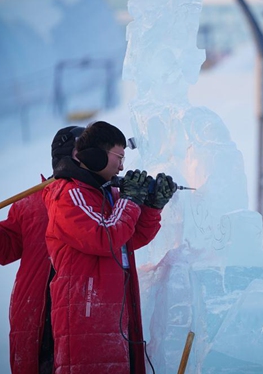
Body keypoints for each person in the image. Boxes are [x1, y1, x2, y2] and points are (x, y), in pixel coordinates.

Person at [43, 120, 177, 374]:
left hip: (115, 308)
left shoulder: (105, 193)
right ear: (94, 157)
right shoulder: (69, 195)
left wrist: (150, 206)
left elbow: (129, 238)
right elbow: (105, 237)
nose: (123, 166)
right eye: (119, 157)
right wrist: (130, 199)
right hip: (87, 312)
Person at [0, 125, 85, 374]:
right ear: (70, 155)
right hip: (37, 312)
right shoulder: (30, 204)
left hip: (81, 307)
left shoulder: (98, 197)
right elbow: (6, 248)